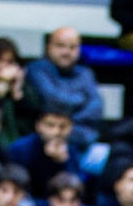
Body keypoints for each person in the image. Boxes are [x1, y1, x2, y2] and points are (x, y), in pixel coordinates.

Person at [29, 26, 101, 155]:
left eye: (72, 47)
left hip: (80, 138)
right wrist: (81, 99)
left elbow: (95, 107)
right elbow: (54, 100)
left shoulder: (86, 73)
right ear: (48, 46)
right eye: (61, 46)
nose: (66, 52)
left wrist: (67, 126)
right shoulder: (37, 69)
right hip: (43, 139)